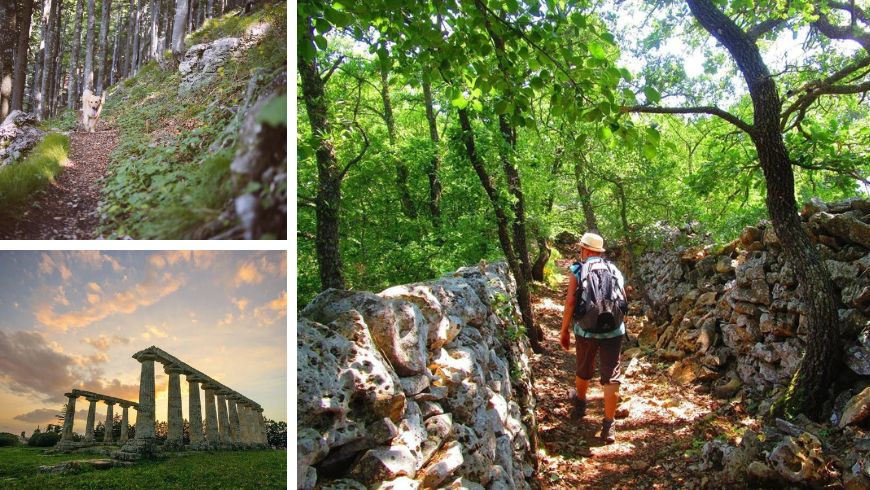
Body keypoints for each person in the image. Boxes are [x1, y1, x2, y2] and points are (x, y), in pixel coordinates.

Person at [559, 232, 626, 443]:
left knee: (584, 366)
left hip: (586, 330)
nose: (579, 252)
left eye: (581, 248)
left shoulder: (578, 270)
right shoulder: (614, 270)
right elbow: (623, 300)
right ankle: (609, 425)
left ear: (586, 250)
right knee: (611, 374)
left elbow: (570, 301)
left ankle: (580, 403)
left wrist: (564, 330)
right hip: (614, 330)